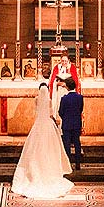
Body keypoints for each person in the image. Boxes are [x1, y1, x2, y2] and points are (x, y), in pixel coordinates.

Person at [10, 58, 75, 199]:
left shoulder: (36, 99)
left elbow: (37, 112)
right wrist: (55, 122)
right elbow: (51, 114)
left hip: (38, 125)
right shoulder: (50, 101)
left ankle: (34, 173)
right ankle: (49, 171)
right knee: (51, 148)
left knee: (35, 148)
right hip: (48, 125)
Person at [57, 74, 86, 171]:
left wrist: (65, 118)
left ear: (67, 87)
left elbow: (60, 111)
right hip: (77, 123)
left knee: (67, 144)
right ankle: (78, 164)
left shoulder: (64, 98)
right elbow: (80, 109)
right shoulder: (80, 97)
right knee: (77, 143)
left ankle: (68, 164)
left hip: (67, 124)